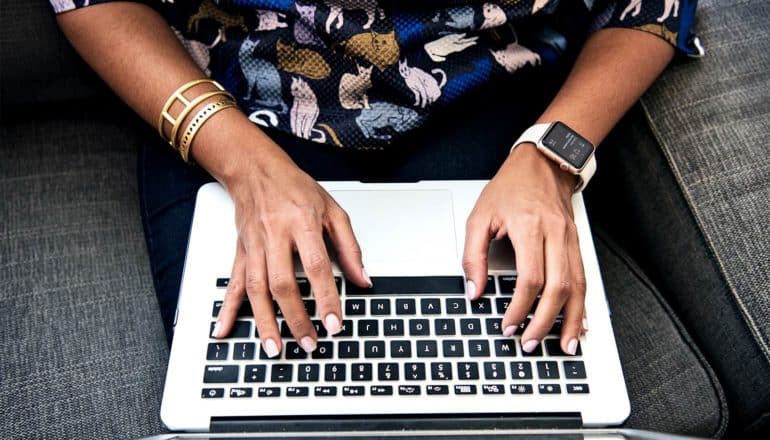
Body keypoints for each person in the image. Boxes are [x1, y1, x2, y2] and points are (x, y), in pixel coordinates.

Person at [51, 0, 697, 360]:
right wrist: (245, 167)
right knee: (266, 380)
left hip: (488, 87)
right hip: (235, 97)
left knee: (511, 377)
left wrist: (553, 155)